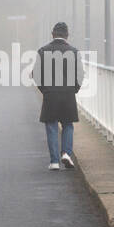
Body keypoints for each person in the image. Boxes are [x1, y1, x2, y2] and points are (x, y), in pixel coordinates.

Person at [32, 21, 84, 170]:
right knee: (68, 124)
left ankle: (54, 161)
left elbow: (36, 75)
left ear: (52, 34)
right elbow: (80, 74)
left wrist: (45, 90)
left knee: (51, 126)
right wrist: (73, 89)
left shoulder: (43, 51)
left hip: (50, 95)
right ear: (67, 35)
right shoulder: (74, 52)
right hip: (68, 94)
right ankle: (66, 153)